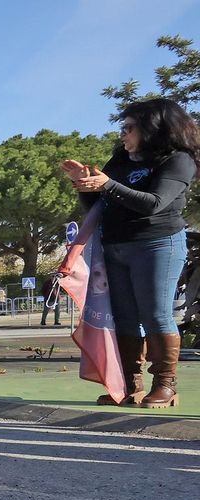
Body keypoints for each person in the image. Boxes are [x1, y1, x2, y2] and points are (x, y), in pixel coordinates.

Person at [63, 97, 198, 408]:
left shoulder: (178, 160)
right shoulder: (120, 162)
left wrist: (106, 184)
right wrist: (86, 187)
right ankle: (129, 383)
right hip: (116, 245)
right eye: (122, 128)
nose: (122, 134)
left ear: (153, 129)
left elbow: (153, 203)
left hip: (157, 244)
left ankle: (165, 384)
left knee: (155, 314)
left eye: (129, 128)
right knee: (123, 317)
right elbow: (101, 207)